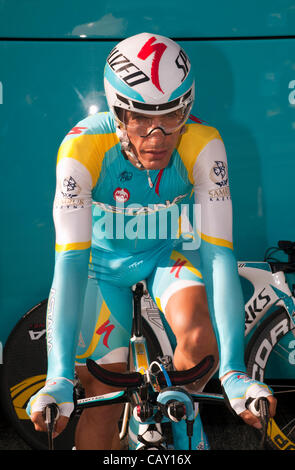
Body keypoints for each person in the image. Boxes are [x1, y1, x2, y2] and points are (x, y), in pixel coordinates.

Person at [26, 32, 276, 450]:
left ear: (188, 108)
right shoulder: (83, 149)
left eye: (171, 116)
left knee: (199, 341)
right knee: (101, 406)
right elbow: (69, 266)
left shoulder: (204, 145)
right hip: (97, 269)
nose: (156, 137)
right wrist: (59, 377)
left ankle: (178, 421)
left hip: (166, 254)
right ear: (117, 112)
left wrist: (233, 372)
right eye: (140, 118)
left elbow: (218, 255)